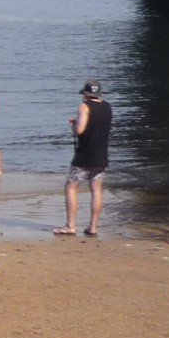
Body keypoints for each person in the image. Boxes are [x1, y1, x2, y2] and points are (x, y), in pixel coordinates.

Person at [59, 80, 114, 237]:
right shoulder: (107, 106)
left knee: (70, 187)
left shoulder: (84, 106)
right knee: (96, 190)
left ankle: (70, 226)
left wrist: (74, 126)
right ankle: (93, 226)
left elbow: (81, 129)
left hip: (85, 155)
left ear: (86, 94)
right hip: (101, 155)